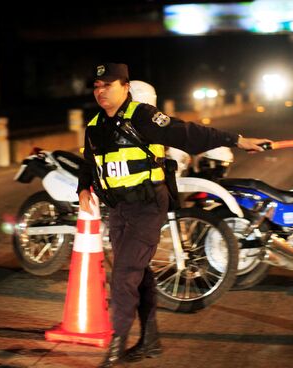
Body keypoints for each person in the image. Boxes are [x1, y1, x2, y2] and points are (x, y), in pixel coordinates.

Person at [76, 63, 271, 368]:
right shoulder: (95, 125)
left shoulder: (142, 116)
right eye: (97, 86)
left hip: (147, 205)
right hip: (117, 209)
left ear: (125, 86)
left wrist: (237, 140)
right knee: (137, 273)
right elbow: (90, 160)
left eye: (108, 85)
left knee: (124, 275)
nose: (101, 92)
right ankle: (150, 341)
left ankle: (116, 345)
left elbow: (188, 133)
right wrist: (82, 188)